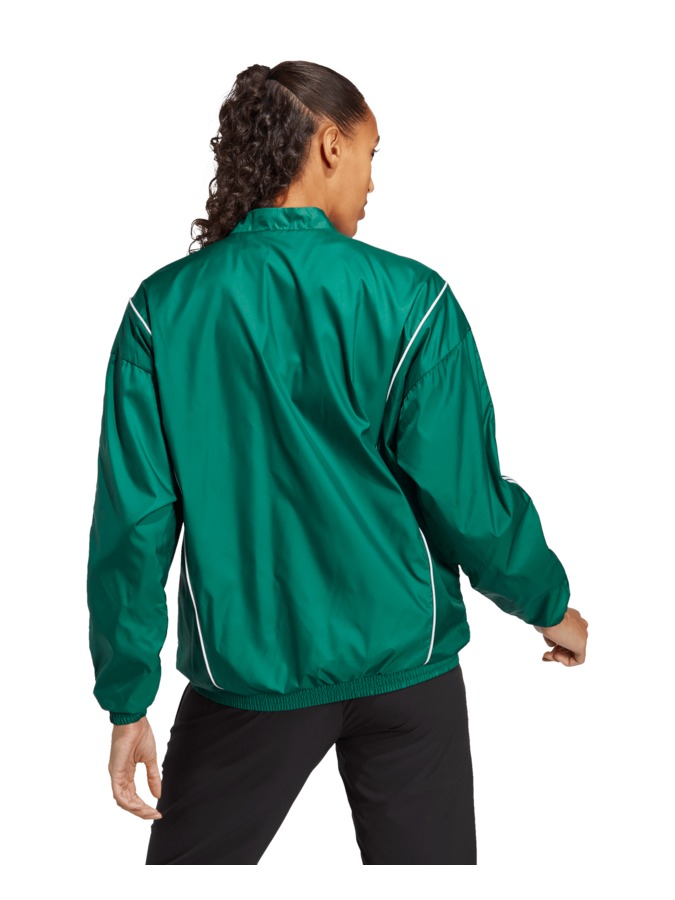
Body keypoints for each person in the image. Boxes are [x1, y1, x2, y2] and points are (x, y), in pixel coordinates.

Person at [86, 60, 588, 866]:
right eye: (370, 154)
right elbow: (466, 500)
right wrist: (547, 605)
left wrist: (127, 699)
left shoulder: (164, 308)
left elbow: (134, 525)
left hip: (249, 677)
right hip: (406, 673)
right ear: (328, 145)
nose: (372, 181)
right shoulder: (413, 299)